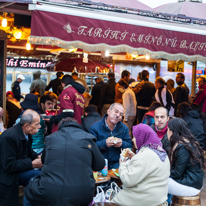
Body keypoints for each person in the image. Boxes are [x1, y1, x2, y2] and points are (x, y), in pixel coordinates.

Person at [23, 117, 105, 206]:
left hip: (50, 192)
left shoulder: (51, 138)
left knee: (28, 192)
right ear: (77, 126)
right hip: (83, 194)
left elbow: (43, 160)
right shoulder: (88, 138)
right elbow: (99, 165)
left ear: (60, 127)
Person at [112, 124, 170, 206]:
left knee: (113, 200)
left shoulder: (144, 155)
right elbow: (148, 167)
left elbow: (127, 180)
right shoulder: (160, 151)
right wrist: (135, 157)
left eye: (135, 137)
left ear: (142, 137)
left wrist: (123, 164)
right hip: (158, 199)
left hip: (142, 200)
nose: (132, 139)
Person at [0, 110, 43, 206]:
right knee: (38, 176)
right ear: (26, 126)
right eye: (37, 124)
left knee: (44, 171)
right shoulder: (9, 137)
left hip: (18, 170)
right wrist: (32, 164)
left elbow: (29, 152)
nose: (39, 127)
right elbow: (8, 165)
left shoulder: (26, 134)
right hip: (8, 175)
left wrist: (40, 157)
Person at [167, 118, 204, 197]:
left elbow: (177, 173)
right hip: (190, 183)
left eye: (168, 130)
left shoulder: (183, 147)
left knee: (155, 182)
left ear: (172, 131)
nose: (167, 132)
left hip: (191, 186)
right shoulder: (186, 144)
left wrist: (161, 172)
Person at [90, 103, 133, 170]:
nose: (118, 115)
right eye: (116, 111)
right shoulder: (95, 127)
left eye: (121, 114)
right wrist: (104, 143)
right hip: (99, 163)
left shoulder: (124, 128)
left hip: (117, 163)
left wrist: (122, 143)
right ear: (108, 111)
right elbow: (90, 147)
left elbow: (130, 145)